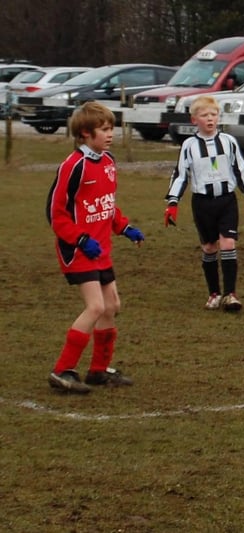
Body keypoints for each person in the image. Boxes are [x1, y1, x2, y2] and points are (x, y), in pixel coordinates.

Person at [46, 101, 145, 393]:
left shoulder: (108, 161)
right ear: (85, 134)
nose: (110, 134)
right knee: (96, 306)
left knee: (112, 306)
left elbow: (106, 205)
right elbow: (56, 212)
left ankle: (98, 371)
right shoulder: (73, 166)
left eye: (111, 128)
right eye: (104, 129)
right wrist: (79, 239)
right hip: (78, 249)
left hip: (101, 249)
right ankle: (62, 370)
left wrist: (124, 227)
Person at [164, 95, 244, 312]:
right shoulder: (189, 146)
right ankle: (214, 293)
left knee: (228, 243)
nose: (210, 119)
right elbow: (181, 175)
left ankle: (230, 294)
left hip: (227, 201)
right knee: (209, 247)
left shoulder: (228, 142)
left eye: (213, 114)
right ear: (194, 120)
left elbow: (242, 169)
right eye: (204, 115)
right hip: (202, 203)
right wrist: (172, 203)